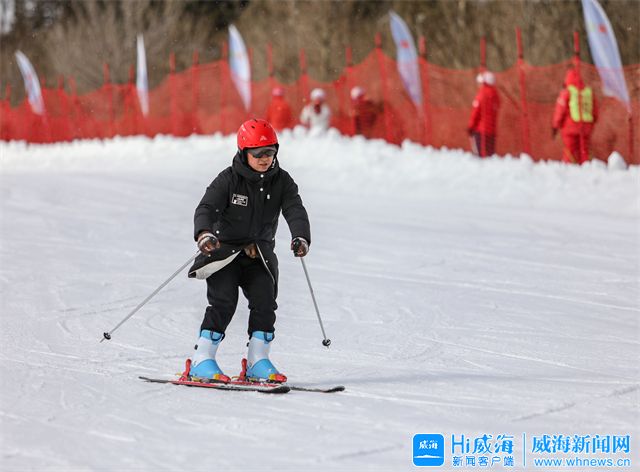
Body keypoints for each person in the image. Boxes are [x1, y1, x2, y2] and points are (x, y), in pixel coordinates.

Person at [187, 118, 311, 383]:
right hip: (224, 254)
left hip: (259, 255)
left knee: (265, 302)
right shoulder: (228, 180)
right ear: (244, 153)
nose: (265, 159)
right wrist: (204, 233)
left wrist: (301, 236)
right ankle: (202, 359)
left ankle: (257, 361)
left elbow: (295, 209)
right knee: (224, 301)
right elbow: (206, 208)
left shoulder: (282, 181)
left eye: (270, 152)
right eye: (258, 153)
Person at [552, 67, 598, 164]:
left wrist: (555, 125)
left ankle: (569, 168)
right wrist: (593, 123)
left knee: (570, 150)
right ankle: (586, 167)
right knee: (584, 150)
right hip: (586, 127)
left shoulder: (567, 91)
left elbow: (560, 110)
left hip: (570, 127)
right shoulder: (588, 92)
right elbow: (595, 111)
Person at [467, 71, 500, 157]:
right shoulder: (496, 95)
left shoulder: (481, 94)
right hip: (492, 132)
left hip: (480, 131)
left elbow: (475, 113)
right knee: (489, 157)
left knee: (478, 157)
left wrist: (471, 127)